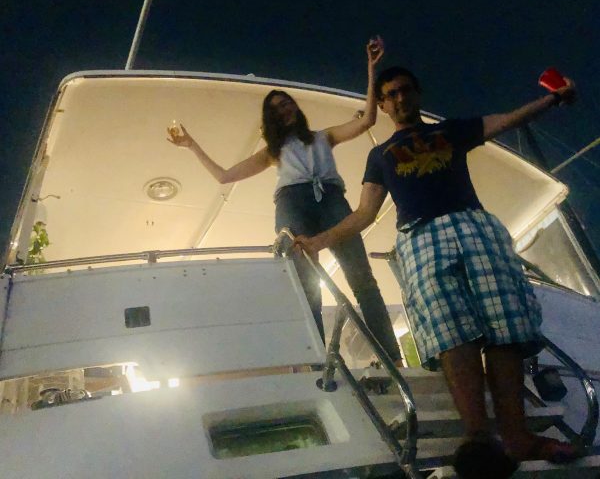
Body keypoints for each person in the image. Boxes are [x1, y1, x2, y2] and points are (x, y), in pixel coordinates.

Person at [294, 65, 581, 472]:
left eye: (405, 90)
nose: (399, 98)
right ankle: (477, 437)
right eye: (390, 94)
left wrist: (552, 99)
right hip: (419, 235)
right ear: (382, 105)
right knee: (451, 332)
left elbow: (506, 120)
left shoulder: (451, 131)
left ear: (417, 94)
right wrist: (318, 241)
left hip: (473, 223)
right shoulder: (380, 155)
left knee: (507, 326)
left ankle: (517, 437)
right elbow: (364, 213)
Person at [167, 38, 402, 365]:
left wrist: (371, 69)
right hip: (293, 201)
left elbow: (366, 122)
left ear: (295, 107)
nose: (284, 110)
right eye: (276, 109)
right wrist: (192, 145)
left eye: (287, 103)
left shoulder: (324, 136)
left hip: (331, 199)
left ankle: (392, 358)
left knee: (363, 280)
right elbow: (224, 176)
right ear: (272, 119)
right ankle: (316, 363)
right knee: (306, 286)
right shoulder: (273, 153)